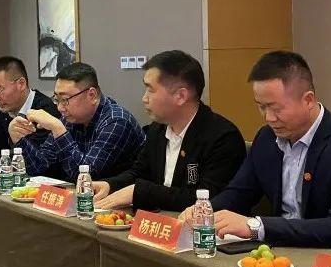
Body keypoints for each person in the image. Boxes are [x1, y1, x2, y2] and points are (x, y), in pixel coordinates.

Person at [178, 51, 331, 248]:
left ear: (308, 100)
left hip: (322, 254)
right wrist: (203, 210)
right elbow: (238, 193)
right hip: (274, 250)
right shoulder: (266, 138)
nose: (268, 118)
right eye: (261, 107)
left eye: (276, 109)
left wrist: (256, 227)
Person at [93, 50, 245, 212]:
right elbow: (139, 172)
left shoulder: (223, 138)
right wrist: (110, 185)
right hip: (158, 221)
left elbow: (207, 200)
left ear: (181, 96)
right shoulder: (157, 129)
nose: (144, 98)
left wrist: (141, 192)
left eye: (150, 90)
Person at [10, 62, 145, 181]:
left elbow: (86, 178)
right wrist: (19, 140)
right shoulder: (69, 119)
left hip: (121, 199)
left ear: (92, 95)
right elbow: (40, 167)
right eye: (57, 99)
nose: (60, 107)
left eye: (65, 99)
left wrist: (58, 129)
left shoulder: (117, 122)